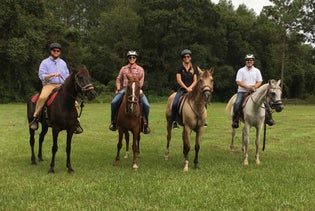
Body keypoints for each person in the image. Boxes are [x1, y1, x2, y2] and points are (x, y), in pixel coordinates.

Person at [29, 42, 83, 134]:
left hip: (61, 85)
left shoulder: (63, 63)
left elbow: (67, 76)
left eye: (58, 50)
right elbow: (41, 76)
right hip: (49, 85)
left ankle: (76, 122)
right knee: (42, 97)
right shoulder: (44, 62)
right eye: (54, 50)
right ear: (51, 51)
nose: (56, 52)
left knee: (74, 102)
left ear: (60, 52)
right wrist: (51, 75)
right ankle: (35, 118)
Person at [109, 50, 151, 134]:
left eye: (133, 57)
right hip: (125, 89)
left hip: (136, 90)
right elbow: (118, 79)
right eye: (130, 57)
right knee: (114, 102)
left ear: (136, 59)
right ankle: (114, 122)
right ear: (128, 59)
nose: (132, 59)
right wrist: (118, 88)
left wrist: (137, 89)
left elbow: (141, 82)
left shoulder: (140, 69)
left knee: (146, 105)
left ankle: (145, 124)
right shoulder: (123, 69)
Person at [232, 54, 275, 128]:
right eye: (248, 60)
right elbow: (238, 82)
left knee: (265, 103)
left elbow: (260, 81)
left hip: (254, 91)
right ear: (245, 61)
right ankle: (235, 120)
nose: (249, 61)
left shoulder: (257, 71)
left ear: (253, 61)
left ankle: (269, 119)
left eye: (251, 60)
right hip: (242, 91)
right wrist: (248, 87)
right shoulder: (241, 70)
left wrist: (255, 86)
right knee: (237, 103)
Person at [171, 49, 199, 129]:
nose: (186, 58)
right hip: (182, 90)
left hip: (192, 90)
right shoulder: (180, 68)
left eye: (188, 56)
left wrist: (190, 88)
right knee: (175, 103)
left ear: (190, 58)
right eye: (185, 57)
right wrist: (186, 88)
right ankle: (174, 121)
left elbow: (195, 80)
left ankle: (202, 120)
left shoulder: (194, 69)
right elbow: (179, 80)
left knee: (202, 101)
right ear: (182, 58)